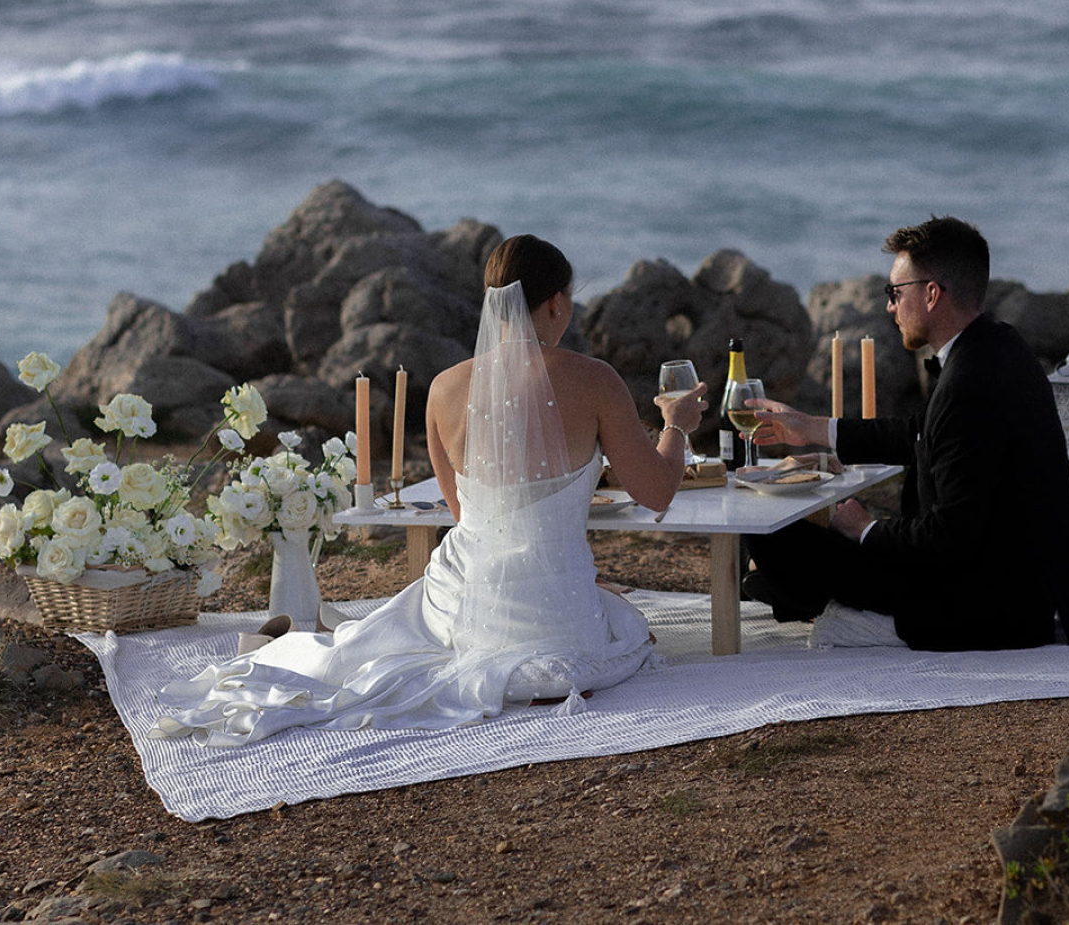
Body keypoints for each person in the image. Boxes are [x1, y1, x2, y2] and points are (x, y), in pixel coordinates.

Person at [151, 235, 708, 746]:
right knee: (627, 628)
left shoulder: (444, 388)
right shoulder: (596, 381)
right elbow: (657, 493)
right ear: (557, 303)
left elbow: (466, 512)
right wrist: (676, 425)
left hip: (464, 600)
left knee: (372, 644)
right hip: (558, 620)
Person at [742, 216, 1069, 651]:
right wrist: (811, 428)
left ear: (931, 294)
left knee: (768, 530)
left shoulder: (970, 385)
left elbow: (949, 538)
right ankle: (787, 589)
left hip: (994, 599)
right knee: (783, 535)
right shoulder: (998, 344)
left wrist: (867, 528)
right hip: (1023, 572)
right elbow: (919, 433)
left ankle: (841, 611)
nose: (889, 307)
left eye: (895, 293)